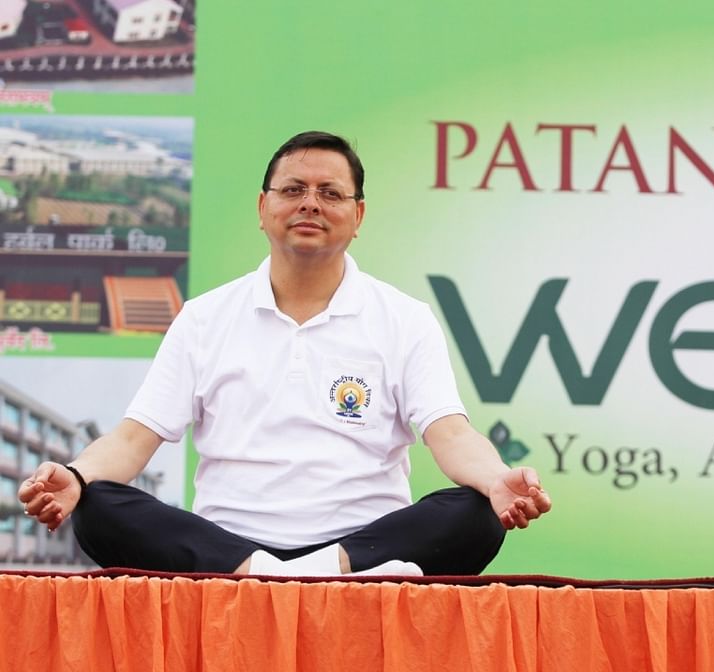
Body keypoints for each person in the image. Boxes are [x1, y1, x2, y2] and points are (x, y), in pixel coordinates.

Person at [18, 131, 551, 577]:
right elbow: (134, 439)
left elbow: (452, 435)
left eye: (330, 193)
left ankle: (326, 568)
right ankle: (258, 568)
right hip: (228, 542)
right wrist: (78, 475)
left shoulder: (404, 317)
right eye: (293, 189)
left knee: (477, 512)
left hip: (363, 545)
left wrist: (495, 478)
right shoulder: (205, 316)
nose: (310, 204)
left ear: (358, 213)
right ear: (263, 206)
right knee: (99, 506)